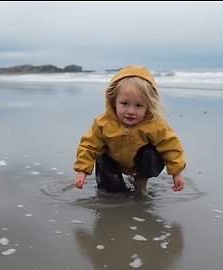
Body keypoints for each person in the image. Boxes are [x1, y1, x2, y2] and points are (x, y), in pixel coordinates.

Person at [73, 65, 186, 195]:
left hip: (139, 163)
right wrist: (82, 171)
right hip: (112, 161)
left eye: (138, 105)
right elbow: (88, 145)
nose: (131, 111)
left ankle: (140, 180)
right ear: (114, 101)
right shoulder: (103, 123)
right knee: (102, 160)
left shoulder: (154, 124)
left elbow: (171, 146)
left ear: (148, 106)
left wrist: (176, 173)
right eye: (125, 103)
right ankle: (112, 189)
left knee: (152, 153)